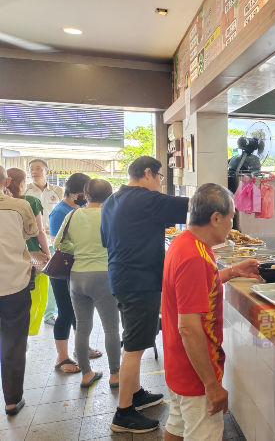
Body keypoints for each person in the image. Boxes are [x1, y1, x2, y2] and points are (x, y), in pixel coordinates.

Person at [162, 184, 261, 441]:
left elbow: (195, 289)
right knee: (202, 434)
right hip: (195, 371)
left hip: (178, 362)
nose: (232, 224)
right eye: (231, 216)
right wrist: (212, 385)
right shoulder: (194, 257)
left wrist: (232, 271)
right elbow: (189, 327)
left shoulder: (185, 242)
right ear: (215, 217)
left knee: (177, 425)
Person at [101, 156, 190, 434]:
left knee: (135, 338)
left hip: (120, 277)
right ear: (148, 173)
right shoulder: (145, 199)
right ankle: (124, 413)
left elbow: (106, 239)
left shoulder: (112, 201)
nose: (161, 183)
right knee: (135, 346)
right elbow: (195, 207)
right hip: (139, 282)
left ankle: (136, 392)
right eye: (161, 177)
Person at [54, 179, 120, 388]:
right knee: (111, 327)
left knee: (82, 327)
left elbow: (58, 244)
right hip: (103, 275)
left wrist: (79, 252)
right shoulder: (111, 215)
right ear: (110, 196)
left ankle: (86, 374)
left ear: (86, 194)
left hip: (77, 277)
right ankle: (116, 375)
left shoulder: (72, 214)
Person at [49, 172, 102, 373]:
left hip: (77, 270)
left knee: (80, 313)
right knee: (65, 313)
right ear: (73, 193)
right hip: (62, 271)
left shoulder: (79, 210)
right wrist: (83, 248)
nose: (86, 196)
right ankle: (62, 358)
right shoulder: (61, 212)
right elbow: (58, 243)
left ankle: (82, 348)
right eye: (84, 192)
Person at [0, 165, 37, 415]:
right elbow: (31, 232)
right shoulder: (19, 206)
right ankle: (12, 400)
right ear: (7, 181)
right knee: (13, 342)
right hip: (14, 283)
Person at [7, 168, 52, 336]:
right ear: (21, 182)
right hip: (32, 257)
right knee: (35, 297)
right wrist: (47, 253)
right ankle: (25, 333)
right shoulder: (30, 201)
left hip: (9, 257)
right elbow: (40, 231)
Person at [24, 159, 62, 326]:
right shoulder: (25, 191)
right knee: (33, 280)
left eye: (38, 168)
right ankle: (30, 313)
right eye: (31, 169)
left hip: (54, 242)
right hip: (33, 243)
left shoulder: (58, 191)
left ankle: (50, 313)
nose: (34, 171)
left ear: (47, 171)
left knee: (54, 278)